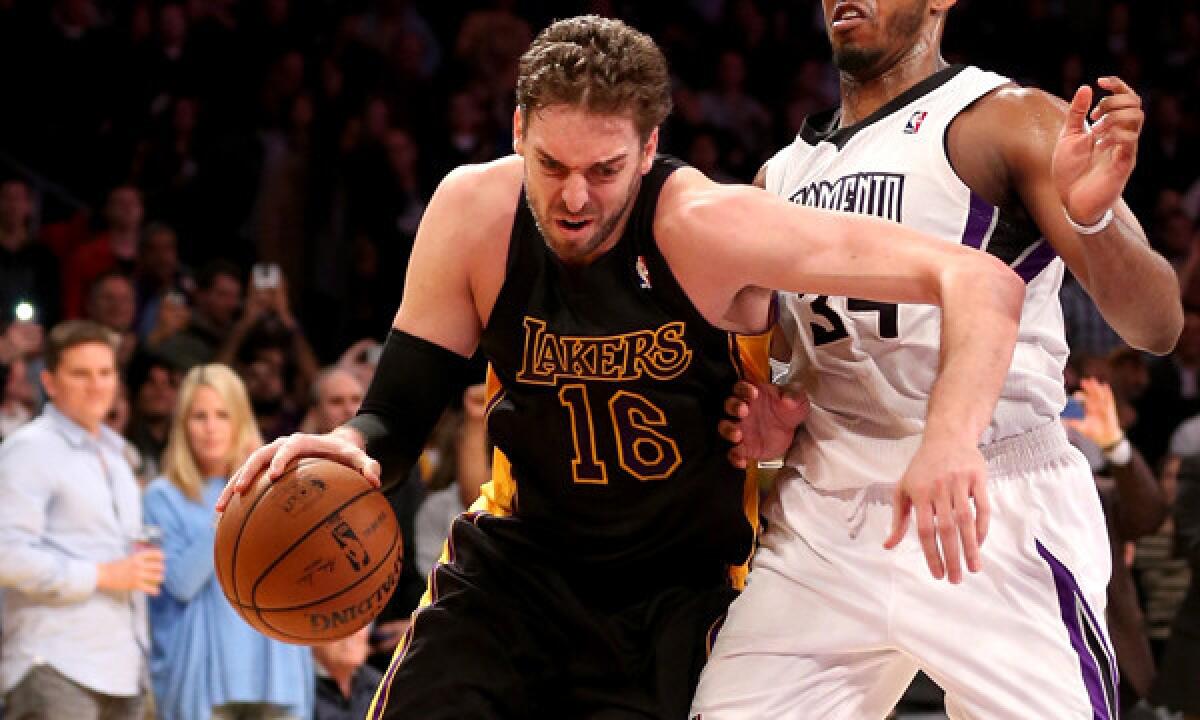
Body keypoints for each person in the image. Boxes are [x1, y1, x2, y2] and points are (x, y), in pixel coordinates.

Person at [219, 15, 1025, 718]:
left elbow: (979, 278)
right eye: (552, 166)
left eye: (604, 171)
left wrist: (949, 439)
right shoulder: (473, 212)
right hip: (516, 568)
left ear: (649, 148)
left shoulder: (711, 227)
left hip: (676, 592)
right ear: (516, 132)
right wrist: (355, 446)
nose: (574, 199)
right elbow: (398, 411)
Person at [690, 2, 1183, 718]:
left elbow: (1158, 324)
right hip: (826, 519)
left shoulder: (1007, 119)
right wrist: (775, 425)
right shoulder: (779, 176)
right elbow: (798, 369)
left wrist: (1093, 220)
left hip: (990, 503)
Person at [0, 320, 164, 720]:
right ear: (50, 383)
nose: (97, 385)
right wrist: (102, 575)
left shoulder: (119, 455)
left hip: (122, 670)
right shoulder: (29, 449)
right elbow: (7, 555)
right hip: (54, 664)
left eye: (105, 373)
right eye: (81, 374)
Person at [142, 363, 313, 720]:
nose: (210, 428)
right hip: (201, 682)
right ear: (182, 425)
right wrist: (238, 499)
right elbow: (182, 583)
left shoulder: (275, 490)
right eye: (198, 416)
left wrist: (262, 488)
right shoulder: (162, 496)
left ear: (241, 421)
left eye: (222, 415)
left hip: (276, 675)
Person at [312, 627, 382, 720]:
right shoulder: (298, 690)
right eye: (337, 627)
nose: (351, 634)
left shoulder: (382, 684)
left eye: (359, 625)